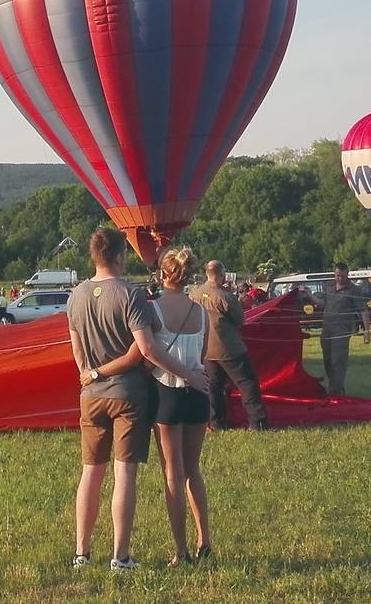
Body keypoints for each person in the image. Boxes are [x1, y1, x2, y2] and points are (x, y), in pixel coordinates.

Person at [67, 229, 207, 571]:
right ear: (119, 256)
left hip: (91, 394)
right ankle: (121, 554)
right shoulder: (131, 296)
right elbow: (143, 350)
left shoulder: (76, 296)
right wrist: (190, 376)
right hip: (127, 393)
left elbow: (77, 348)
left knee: (90, 472)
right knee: (124, 473)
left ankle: (82, 553)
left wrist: (90, 373)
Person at [148, 247, 214, 566]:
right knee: (193, 470)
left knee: (172, 474)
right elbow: (201, 357)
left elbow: (149, 354)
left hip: (167, 393)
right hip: (198, 391)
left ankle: (181, 550)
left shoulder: (154, 310)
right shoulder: (201, 312)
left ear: (163, 274)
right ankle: (205, 539)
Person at [191, 260, 268, 431]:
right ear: (220, 275)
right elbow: (240, 320)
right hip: (229, 349)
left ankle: (216, 423)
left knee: (214, 388)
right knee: (247, 383)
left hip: (206, 349)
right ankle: (258, 422)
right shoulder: (225, 297)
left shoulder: (195, 293)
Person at [314, 263, 371, 396]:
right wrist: (310, 296)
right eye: (338, 275)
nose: (340, 278)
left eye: (343, 276)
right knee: (327, 360)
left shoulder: (354, 290)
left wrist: (367, 332)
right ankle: (332, 386)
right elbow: (323, 304)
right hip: (327, 329)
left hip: (342, 331)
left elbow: (363, 310)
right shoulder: (329, 286)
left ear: (348, 275)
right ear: (334, 274)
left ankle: (337, 391)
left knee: (338, 360)